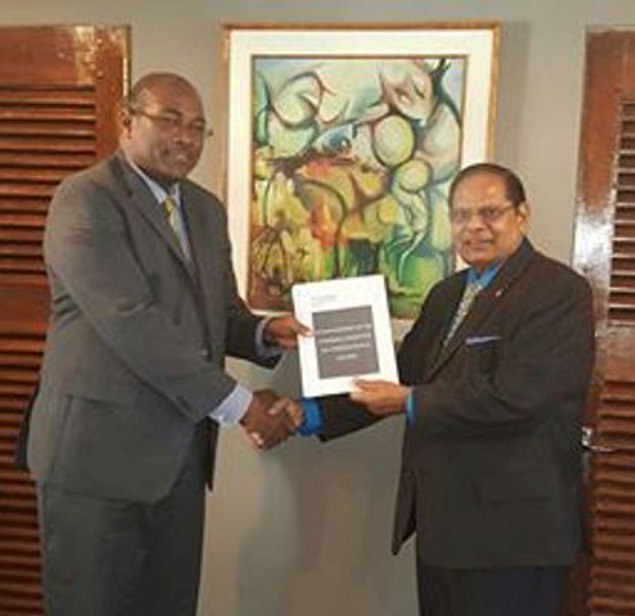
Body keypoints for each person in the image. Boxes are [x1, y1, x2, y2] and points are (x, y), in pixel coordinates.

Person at [16, 72, 307, 616]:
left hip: (176, 458)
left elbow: (218, 313)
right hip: (94, 462)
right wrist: (243, 407)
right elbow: (134, 323)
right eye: (169, 120)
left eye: (198, 127)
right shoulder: (85, 200)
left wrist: (267, 333)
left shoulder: (203, 208)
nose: (186, 137)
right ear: (127, 122)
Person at [298, 163, 595, 616]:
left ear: (522, 215)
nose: (474, 226)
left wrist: (410, 401)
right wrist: (307, 414)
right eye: (460, 215)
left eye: (490, 213)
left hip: (514, 536)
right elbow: (400, 372)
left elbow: (522, 394)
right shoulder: (446, 294)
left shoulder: (558, 291)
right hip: (447, 529)